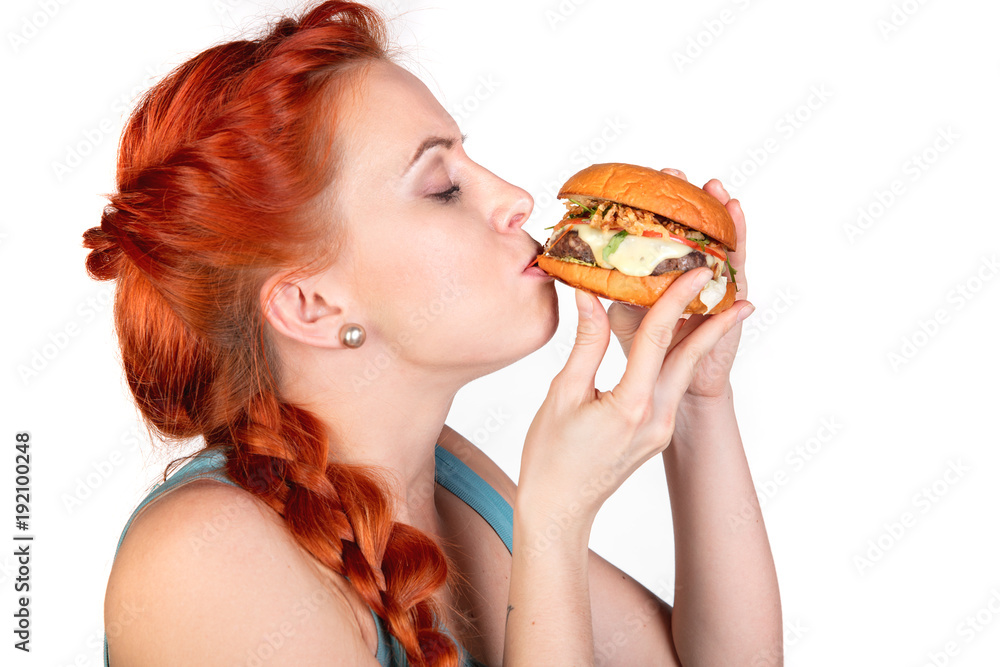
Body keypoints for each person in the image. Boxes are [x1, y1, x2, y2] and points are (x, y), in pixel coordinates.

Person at [86, 2, 781, 665]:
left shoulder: (449, 479)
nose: (517, 199)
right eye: (442, 186)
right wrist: (553, 523)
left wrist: (695, 398)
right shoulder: (204, 561)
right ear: (311, 304)